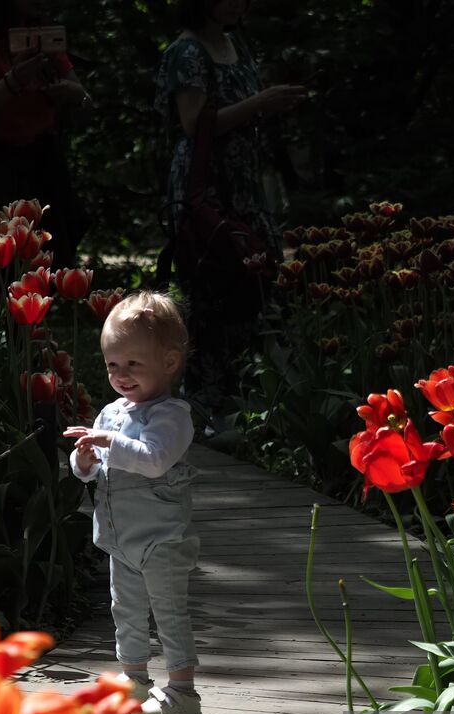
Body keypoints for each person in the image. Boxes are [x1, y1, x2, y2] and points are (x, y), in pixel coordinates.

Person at [155, 0, 306, 411]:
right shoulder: (187, 52)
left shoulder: (234, 41)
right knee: (213, 287)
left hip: (244, 186)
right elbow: (194, 122)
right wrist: (261, 103)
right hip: (208, 187)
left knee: (255, 279)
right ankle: (204, 403)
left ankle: (244, 399)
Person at [64, 292, 203, 714]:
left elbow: (155, 458)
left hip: (161, 538)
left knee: (168, 612)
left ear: (169, 362)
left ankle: (182, 691)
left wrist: (108, 443)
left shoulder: (172, 415)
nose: (121, 376)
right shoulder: (111, 412)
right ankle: (134, 679)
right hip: (120, 537)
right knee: (124, 610)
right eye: (112, 366)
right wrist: (84, 462)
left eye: (133, 365)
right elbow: (95, 468)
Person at [0, 0, 91, 265]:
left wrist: (66, 92)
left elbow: (81, 93)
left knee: (51, 254)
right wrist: (16, 80)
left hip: (41, 163)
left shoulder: (42, 38)